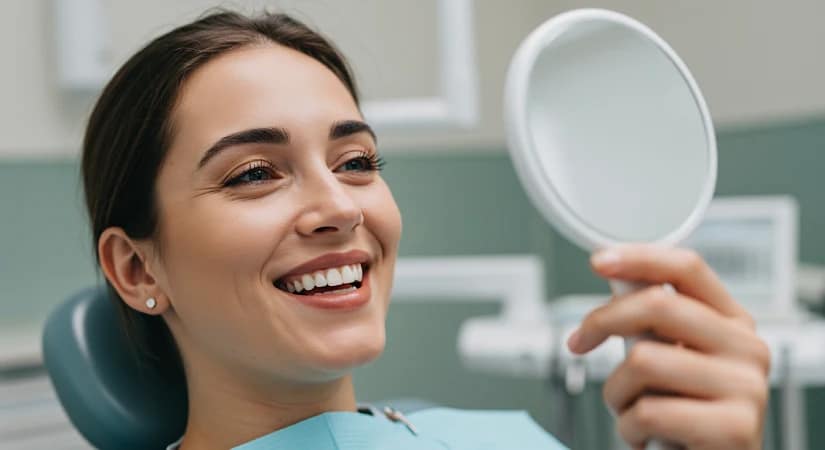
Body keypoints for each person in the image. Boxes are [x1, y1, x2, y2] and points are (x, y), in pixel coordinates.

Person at [82, 9, 770, 450]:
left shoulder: (500, 439)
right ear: (138, 270)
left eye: (355, 162)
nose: (342, 208)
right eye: (254, 173)